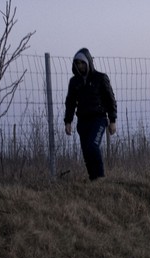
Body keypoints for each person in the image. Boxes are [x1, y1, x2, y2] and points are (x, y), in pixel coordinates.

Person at [63, 48, 117, 180]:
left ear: (88, 62)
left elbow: (110, 99)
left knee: (92, 147)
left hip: (98, 119)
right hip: (83, 122)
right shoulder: (74, 82)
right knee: (86, 152)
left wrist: (112, 120)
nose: (80, 65)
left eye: (82, 62)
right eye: (77, 63)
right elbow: (70, 102)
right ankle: (93, 179)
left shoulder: (100, 78)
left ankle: (100, 177)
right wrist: (68, 121)